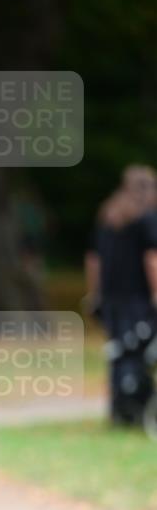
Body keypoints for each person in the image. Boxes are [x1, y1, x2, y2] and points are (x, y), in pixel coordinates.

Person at [84, 165, 157, 425]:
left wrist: (95, 294)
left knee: (116, 353)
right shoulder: (146, 218)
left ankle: (118, 409)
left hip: (111, 299)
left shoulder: (108, 216)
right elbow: (152, 259)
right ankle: (134, 410)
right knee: (135, 352)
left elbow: (93, 260)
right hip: (137, 298)